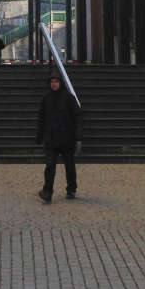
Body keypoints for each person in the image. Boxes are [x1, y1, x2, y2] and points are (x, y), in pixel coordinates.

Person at [36, 72, 81, 203]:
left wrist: (78, 137)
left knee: (69, 166)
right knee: (50, 166)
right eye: (52, 82)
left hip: (67, 138)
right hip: (51, 139)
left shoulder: (69, 98)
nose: (54, 84)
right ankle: (47, 192)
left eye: (56, 81)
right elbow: (41, 118)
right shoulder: (46, 98)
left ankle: (71, 189)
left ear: (60, 83)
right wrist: (39, 136)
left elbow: (78, 117)